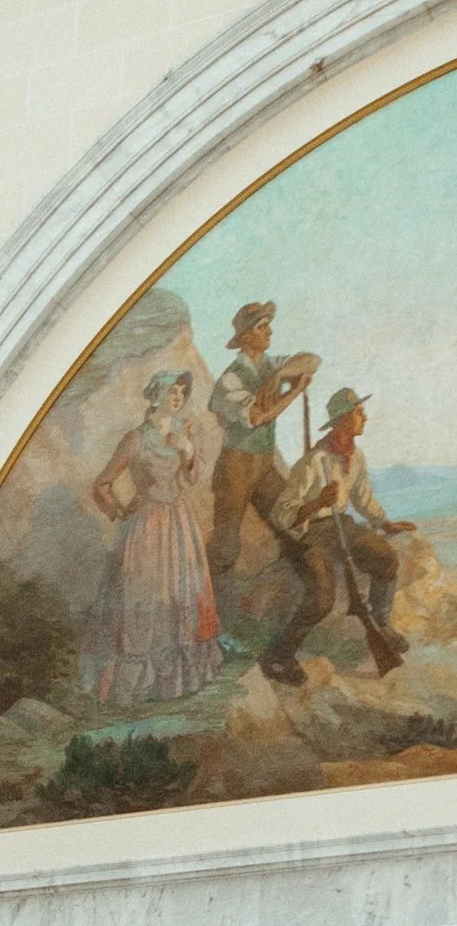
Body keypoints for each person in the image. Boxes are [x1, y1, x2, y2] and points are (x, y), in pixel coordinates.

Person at [79, 369, 223, 708]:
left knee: (180, 595)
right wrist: (117, 511)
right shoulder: (136, 438)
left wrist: (187, 450)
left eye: (180, 392)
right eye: (170, 391)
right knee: (141, 598)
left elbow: (192, 479)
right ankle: (132, 688)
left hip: (180, 524)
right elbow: (101, 484)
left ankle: (173, 683)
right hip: (146, 526)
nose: (177, 397)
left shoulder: (181, 432)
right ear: (155, 395)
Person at [262, 385, 413, 685]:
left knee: (386, 557)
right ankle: (278, 656)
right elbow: (281, 513)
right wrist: (317, 502)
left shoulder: (355, 457)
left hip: (341, 526)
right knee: (322, 598)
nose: (365, 417)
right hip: (309, 533)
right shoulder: (313, 461)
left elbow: (363, 498)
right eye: (359, 412)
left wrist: (384, 524)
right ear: (343, 419)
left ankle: (381, 624)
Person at [207, 301, 318, 583]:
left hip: (264, 465)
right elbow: (258, 417)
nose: (269, 331)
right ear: (246, 337)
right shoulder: (230, 380)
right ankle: (213, 610)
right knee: (226, 544)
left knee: (289, 522)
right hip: (237, 467)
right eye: (262, 326)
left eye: (268, 325)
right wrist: (294, 391)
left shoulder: (271, 365)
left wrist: (281, 376)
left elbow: (312, 360)